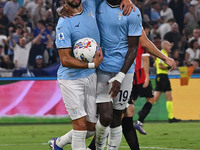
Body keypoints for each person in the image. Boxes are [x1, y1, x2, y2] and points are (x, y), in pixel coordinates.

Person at [87, 27, 177, 150]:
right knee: (115, 116)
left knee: (127, 112)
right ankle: (84, 146)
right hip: (118, 75)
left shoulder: (135, 34)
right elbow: (144, 57)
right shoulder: (124, 34)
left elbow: (144, 53)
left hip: (129, 77)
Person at [48, 0, 104, 149]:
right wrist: (91, 64)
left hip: (91, 76)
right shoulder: (64, 23)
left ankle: (58, 143)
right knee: (79, 124)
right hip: (71, 79)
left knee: (91, 128)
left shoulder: (90, 4)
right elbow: (65, 59)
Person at [94, 0, 142, 149]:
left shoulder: (133, 12)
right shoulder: (97, 5)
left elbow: (133, 48)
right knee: (106, 116)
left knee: (117, 117)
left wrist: (120, 76)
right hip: (103, 69)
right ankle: (99, 146)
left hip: (125, 71)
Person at [154, 40, 181, 123]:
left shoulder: (160, 53)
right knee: (169, 98)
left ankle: (142, 114)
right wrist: (170, 67)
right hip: (163, 77)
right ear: (165, 46)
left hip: (159, 77)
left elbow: (155, 64)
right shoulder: (163, 54)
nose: (171, 47)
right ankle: (171, 117)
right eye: (169, 45)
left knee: (154, 99)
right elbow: (160, 65)